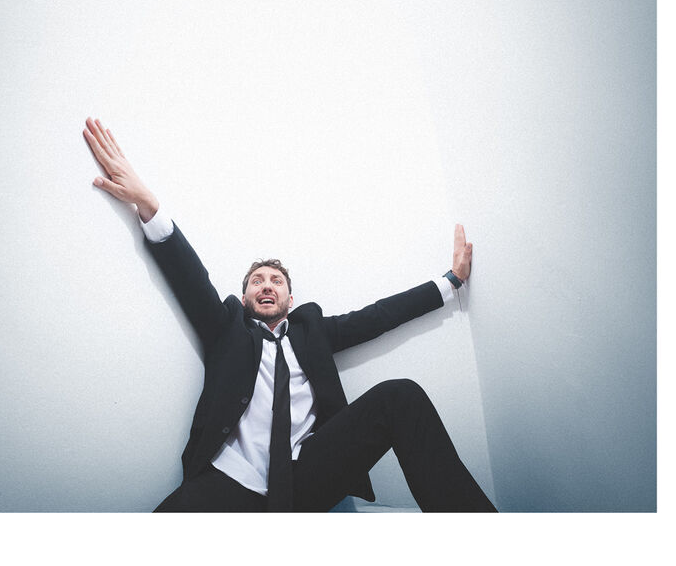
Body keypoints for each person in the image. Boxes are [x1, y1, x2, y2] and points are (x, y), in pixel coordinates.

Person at [83, 116, 497, 513]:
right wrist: (148, 204)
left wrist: (451, 283)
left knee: (401, 397)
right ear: (245, 298)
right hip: (227, 483)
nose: (266, 285)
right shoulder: (226, 328)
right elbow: (191, 280)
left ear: (291, 299)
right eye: (257, 281)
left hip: (308, 475)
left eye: (276, 281)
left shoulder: (314, 331)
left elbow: (379, 316)